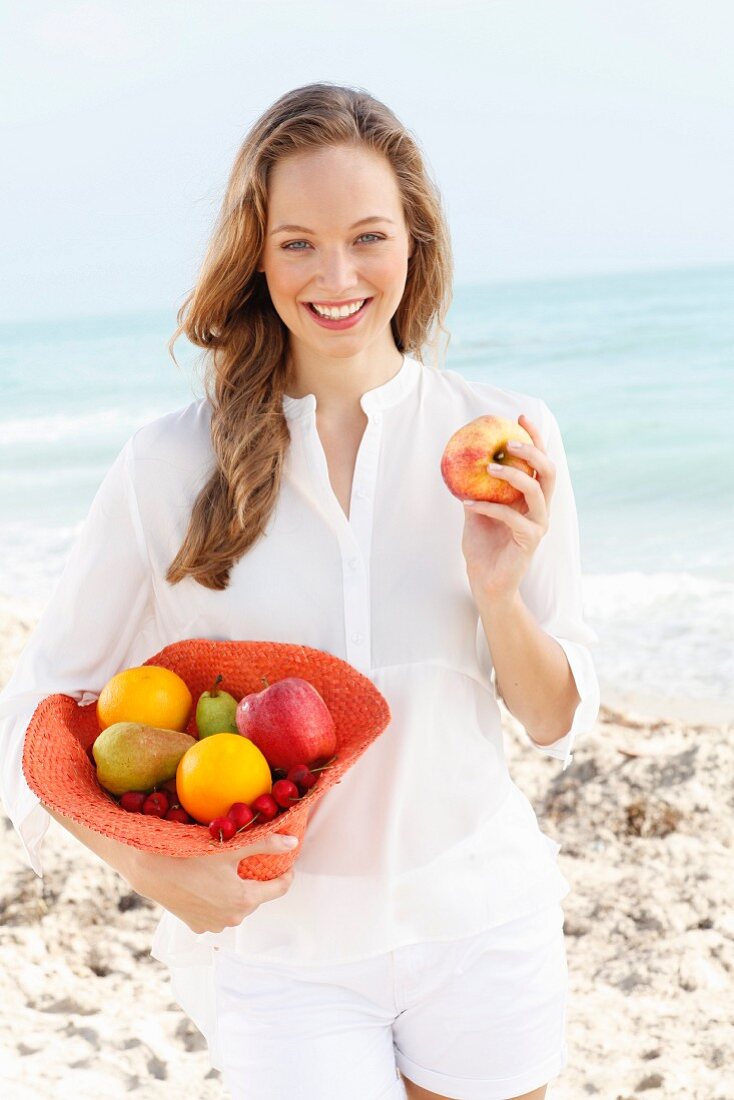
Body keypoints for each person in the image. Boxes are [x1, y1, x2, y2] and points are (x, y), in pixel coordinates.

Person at [0, 82, 600, 1100]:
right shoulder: (167, 465)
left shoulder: (508, 435)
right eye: (297, 243)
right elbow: (40, 715)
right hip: (283, 958)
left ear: (414, 242)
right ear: (257, 254)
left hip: (480, 926)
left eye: (367, 236)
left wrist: (498, 592)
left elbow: (552, 717)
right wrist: (158, 874)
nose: (336, 275)